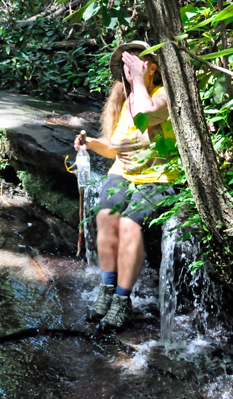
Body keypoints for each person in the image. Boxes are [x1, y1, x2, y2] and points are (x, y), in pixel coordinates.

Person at [74, 41, 179, 332]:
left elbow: (147, 115)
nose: (127, 69)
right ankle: (106, 289)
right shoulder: (124, 102)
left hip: (159, 176)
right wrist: (91, 144)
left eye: (133, 62)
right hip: (123, 172)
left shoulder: (161, 96)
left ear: (152, 67)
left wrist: (138, 81)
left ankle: (122, 300)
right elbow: (116, 149)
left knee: (131, 225)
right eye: (125, 65)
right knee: (105, 215)